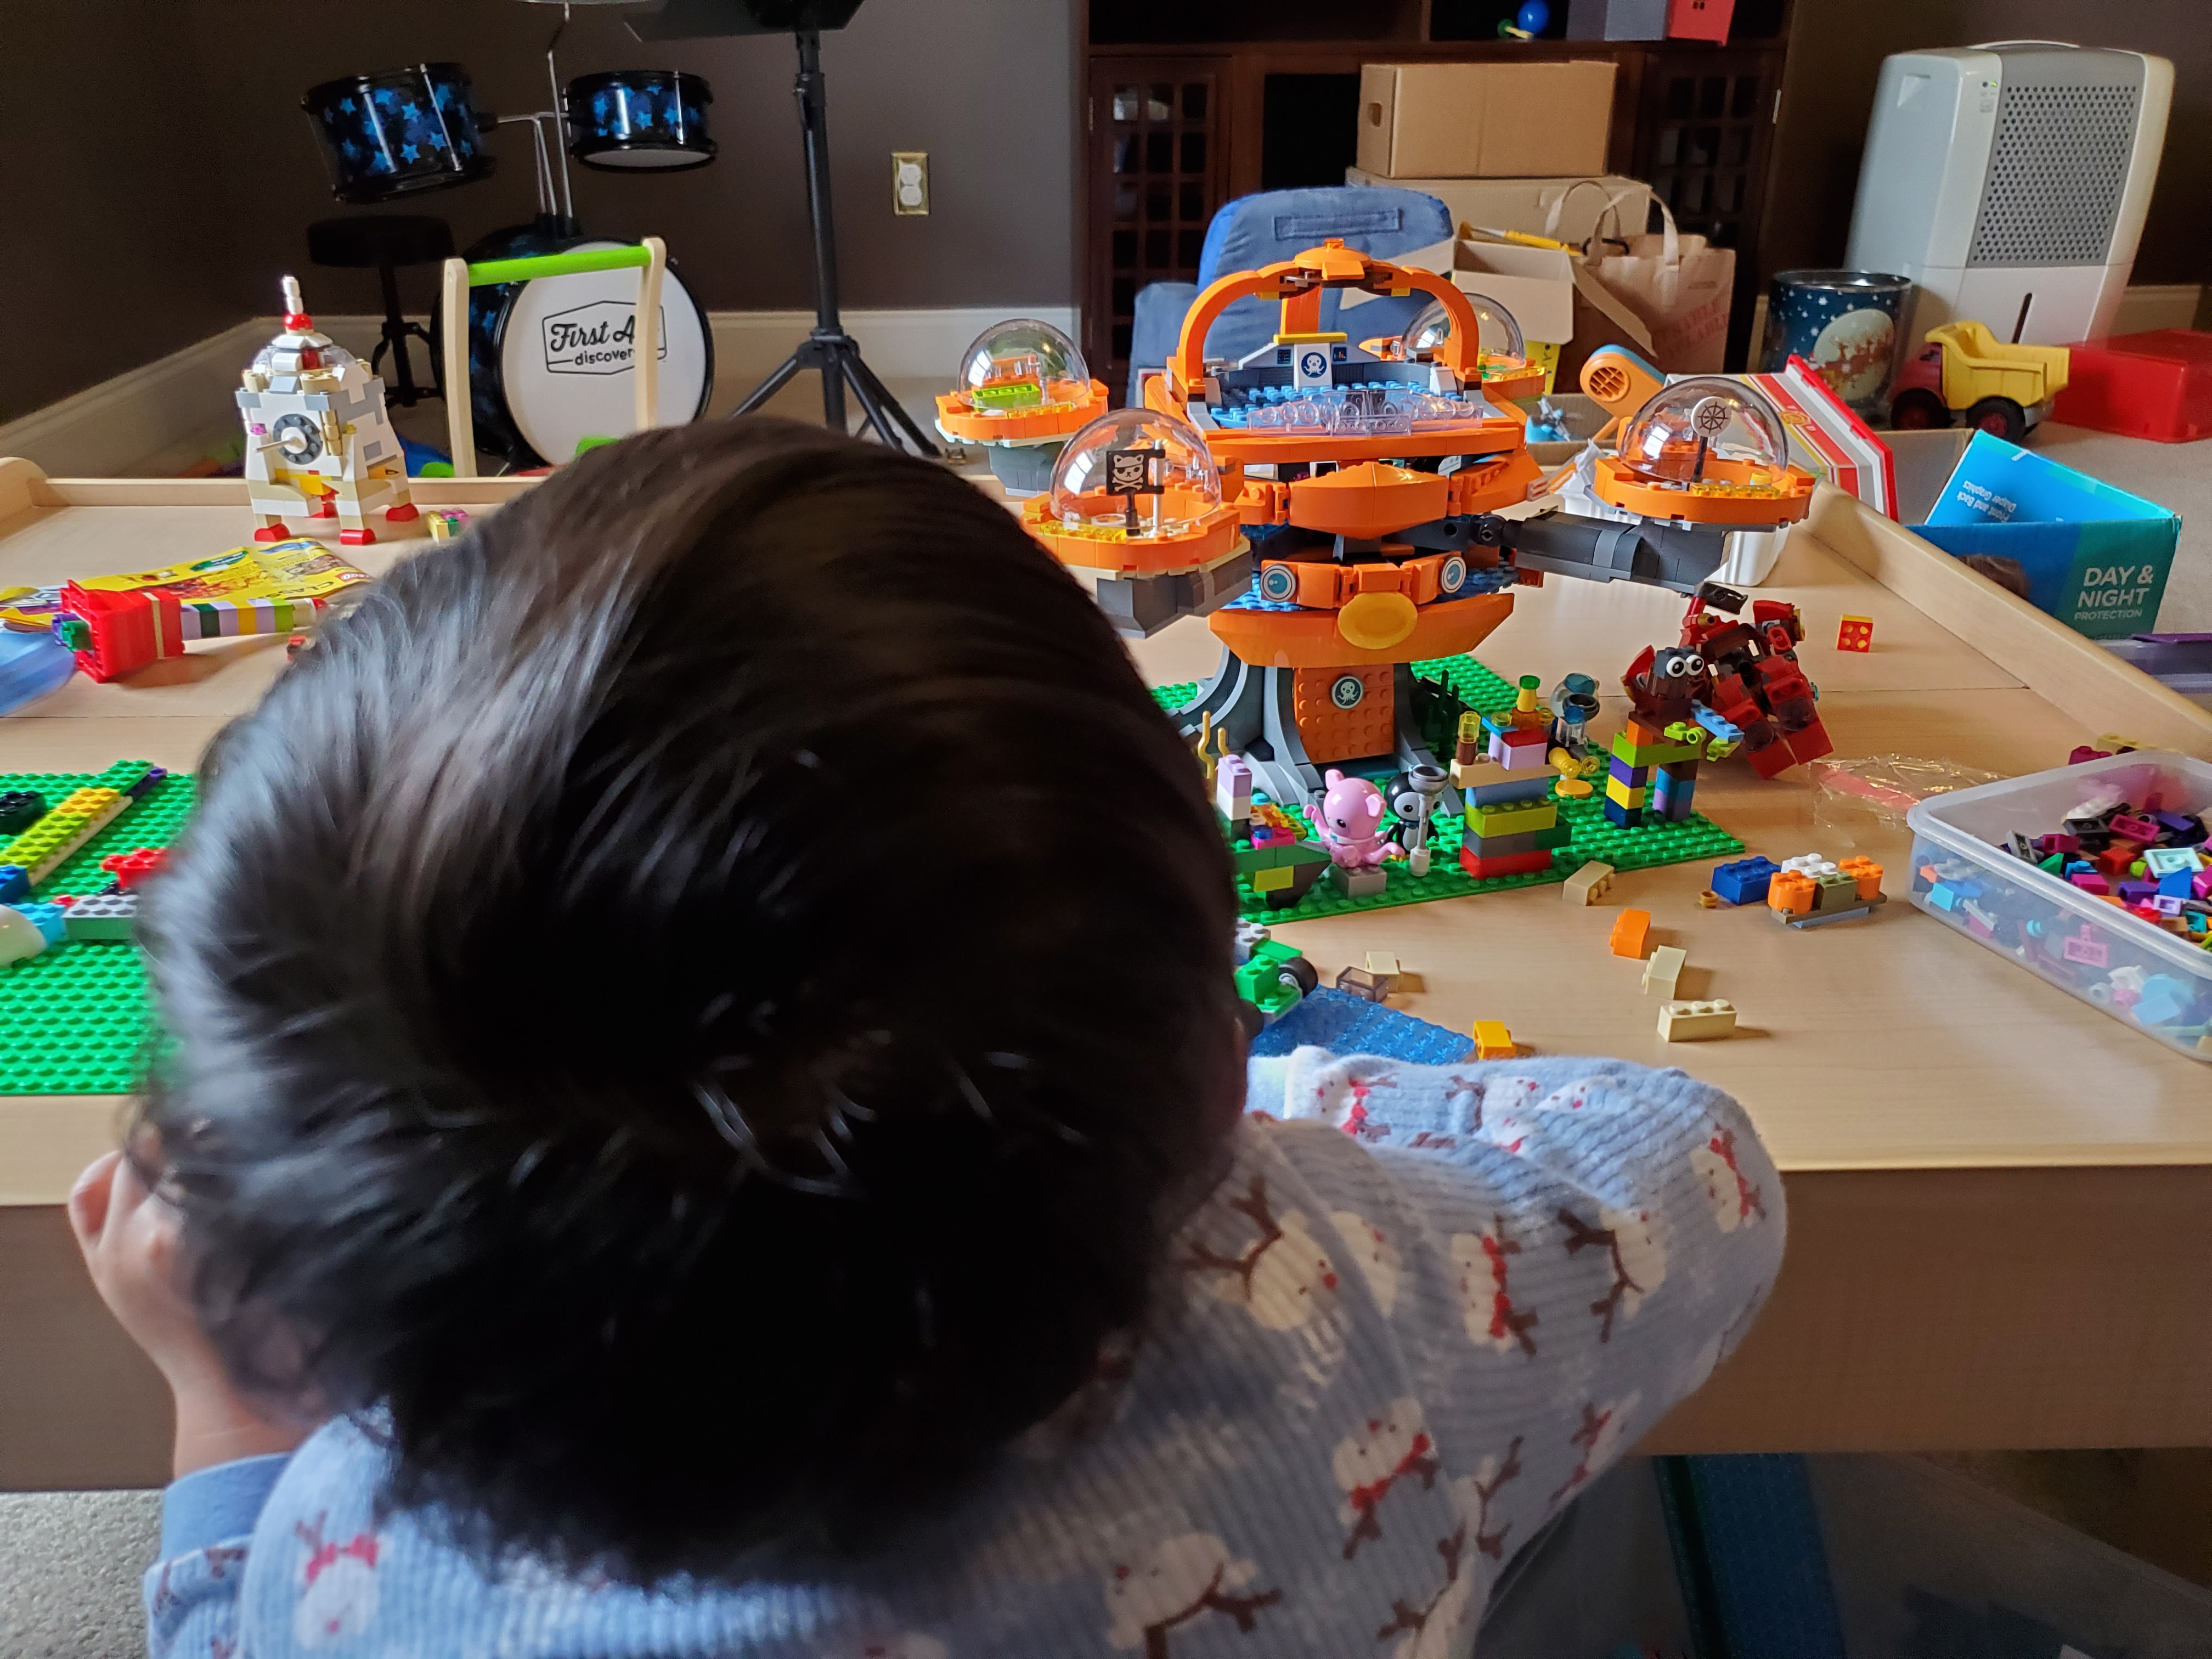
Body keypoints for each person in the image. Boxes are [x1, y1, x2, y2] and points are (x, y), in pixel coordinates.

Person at [72, 418, 1785, 1659]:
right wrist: (1300, 1083)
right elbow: (1701, 1158)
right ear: (1205, 1070)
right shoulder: (1356, 1296)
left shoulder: (355, 1567)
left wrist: (230, 1422)